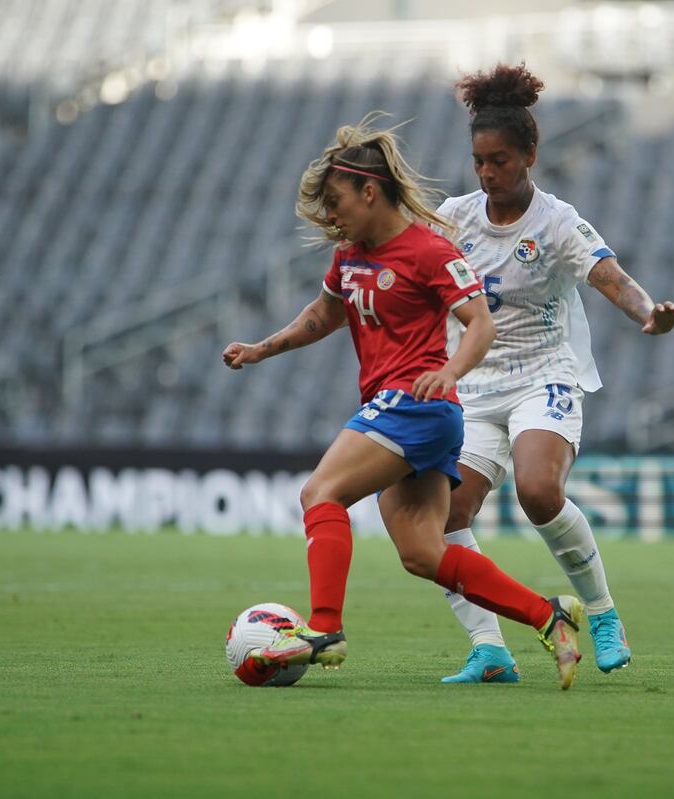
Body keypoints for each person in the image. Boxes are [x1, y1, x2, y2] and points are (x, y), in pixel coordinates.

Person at [221, 115, 587, 689]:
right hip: (406, 411)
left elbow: (480, 324)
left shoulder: (429, 251)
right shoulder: (350, 255)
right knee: (422, 552)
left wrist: (450, 371)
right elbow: (323, 316)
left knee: (320, 492)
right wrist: (261, 349)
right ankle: (550, 616)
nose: (332, 216)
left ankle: (324, 627)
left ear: (371, 191)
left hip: (416, 405)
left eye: (338, 201)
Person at [434, 65, 674, 684]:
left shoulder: (556, 222)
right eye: (479, 162)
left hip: (543, 376)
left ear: (529, 155)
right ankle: (490, 649)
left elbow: (609, 274)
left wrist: (646, 314)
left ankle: (602, 613)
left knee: (539, 492)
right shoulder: (451, 218)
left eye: (500, 160)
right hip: (471, 385)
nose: (489, 173)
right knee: (443, 515)